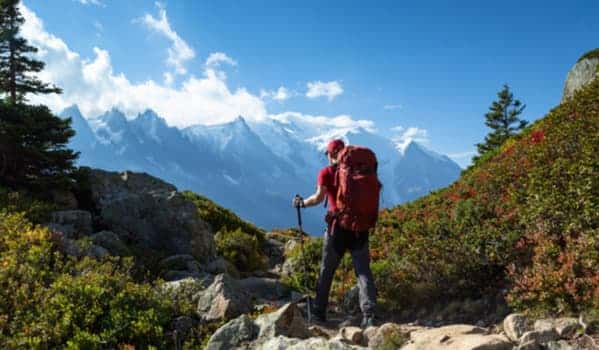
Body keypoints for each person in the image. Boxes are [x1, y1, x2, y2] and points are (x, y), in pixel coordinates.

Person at [293, 139, 377, 328]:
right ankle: (369, 315)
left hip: (337, 229)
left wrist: (302, 203)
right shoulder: (361, 170)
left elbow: (318, 198)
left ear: (331, 155)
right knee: (363, 271)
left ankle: (319, 313)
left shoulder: (327, 173)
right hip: (360, 228)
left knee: (327, 270)